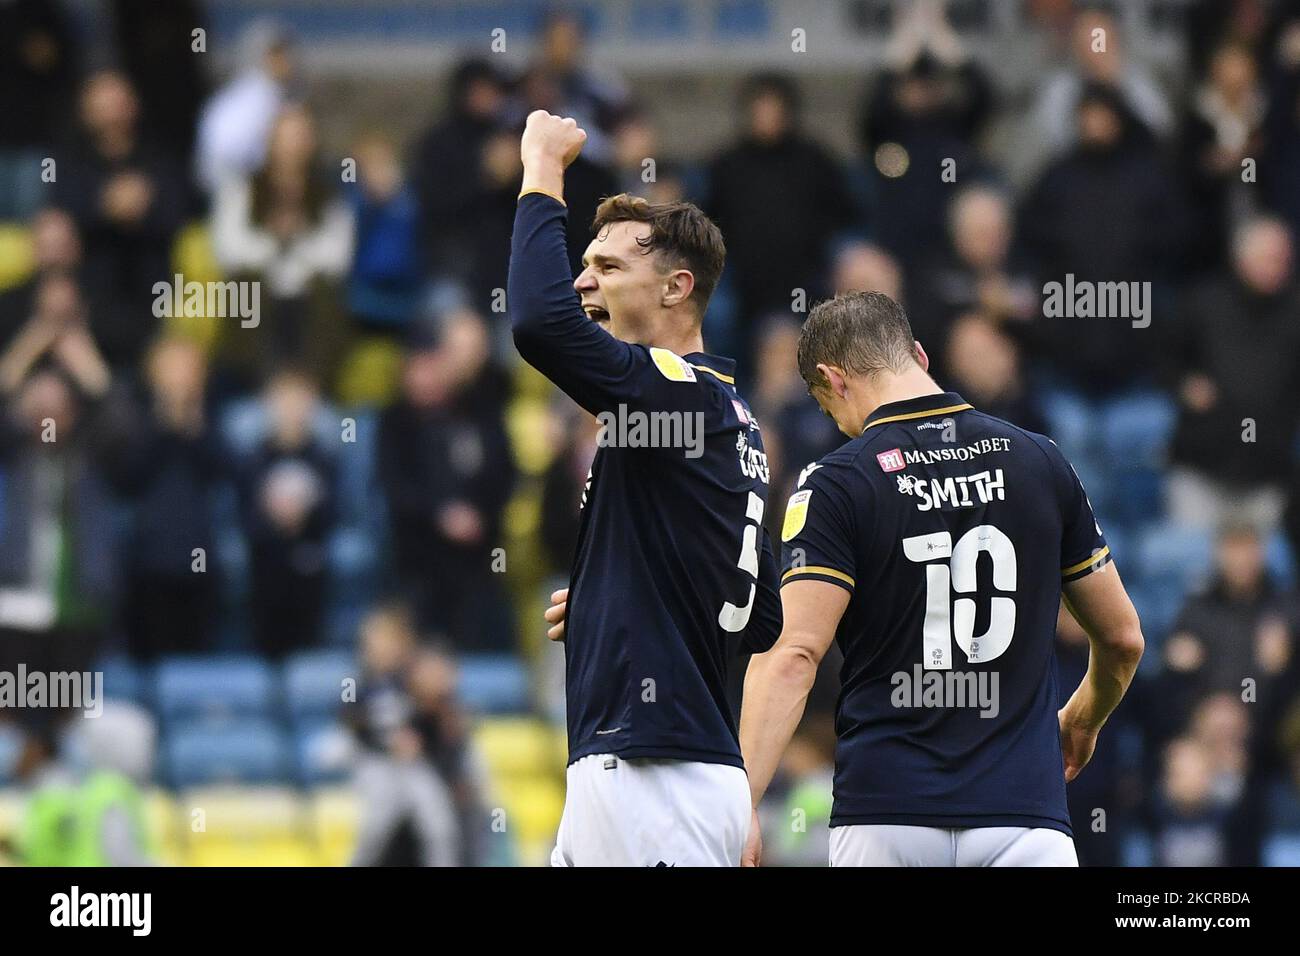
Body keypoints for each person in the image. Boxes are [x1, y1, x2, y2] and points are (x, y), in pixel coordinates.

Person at [738, 291, 1145, 866]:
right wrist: (1083, 717)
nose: (842, 427)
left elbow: (795, 655)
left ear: (834, 380)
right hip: (1025, 819)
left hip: (887, 816)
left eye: (831, 411)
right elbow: (1123, 637)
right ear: (921, 357)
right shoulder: (1040, 460)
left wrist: (742, 803)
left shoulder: (834, 484)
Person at [511, 111, 781, 866]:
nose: (582, 279)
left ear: (676, 288)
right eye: (584, 261)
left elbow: (538, 322)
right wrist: (612, 597)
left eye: (608, 267)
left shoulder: (676, 393)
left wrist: (540, 170)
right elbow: (758, 619)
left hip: (655, 778)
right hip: (663, 771)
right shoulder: (726, 413)